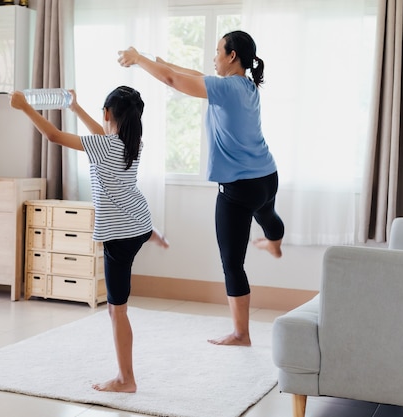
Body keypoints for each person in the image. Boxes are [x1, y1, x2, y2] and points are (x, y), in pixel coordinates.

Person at [118, 30, 284, 347]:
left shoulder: (227, 89)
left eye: (218, 50)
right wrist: (166, 63)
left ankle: (241, 334)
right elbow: (195, 76)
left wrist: (139, 60)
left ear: (231, 56)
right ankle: (275, 243)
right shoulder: (246, 85)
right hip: (266, 176)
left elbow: (173, 82)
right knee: (268, 215)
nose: (214, 56)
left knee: (232, 264)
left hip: (238, 189)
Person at [10, 86, 169, 393]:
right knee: (135, 238)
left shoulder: (104, 145)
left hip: (120, 235)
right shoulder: (131, 143)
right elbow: (101, 135)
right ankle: (150, 233)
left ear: (107, 113)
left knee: (116, 309)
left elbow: (55, 137)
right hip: (137, 222)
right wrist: (76, 108)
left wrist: (24, 108)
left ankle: (126, 379)